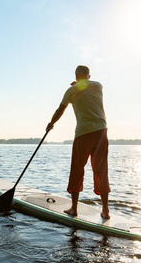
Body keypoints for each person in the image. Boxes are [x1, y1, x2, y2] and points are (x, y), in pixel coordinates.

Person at [46, 65, 110, 219]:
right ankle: (106, 211)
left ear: (75, 76)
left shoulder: (71, 91)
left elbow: (60, 110)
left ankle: (74, 209)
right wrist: (79, 84)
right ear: (89, 76)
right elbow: (86, 85)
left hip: (83, 134)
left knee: (77, 169)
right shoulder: (98, 86)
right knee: (101, 171)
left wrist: (51, 124)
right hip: (101, 132)